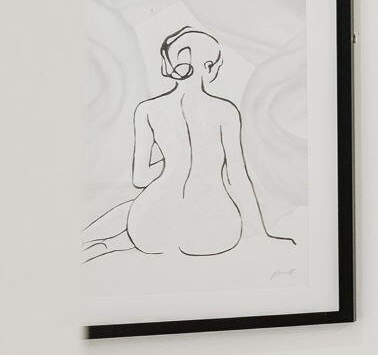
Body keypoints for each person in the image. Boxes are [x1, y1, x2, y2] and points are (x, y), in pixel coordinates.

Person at [82, 26, 295, 261]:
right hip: (215, 234)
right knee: (174, 209)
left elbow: (140, 179)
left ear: (168, 64)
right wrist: (260, 234)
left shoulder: (148, 110)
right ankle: (109, 242)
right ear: (210, 67)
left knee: (140, 206)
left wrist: (173, 160)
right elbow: (238, 176)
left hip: (148, 229)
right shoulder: (225, 111)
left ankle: (105, 242)